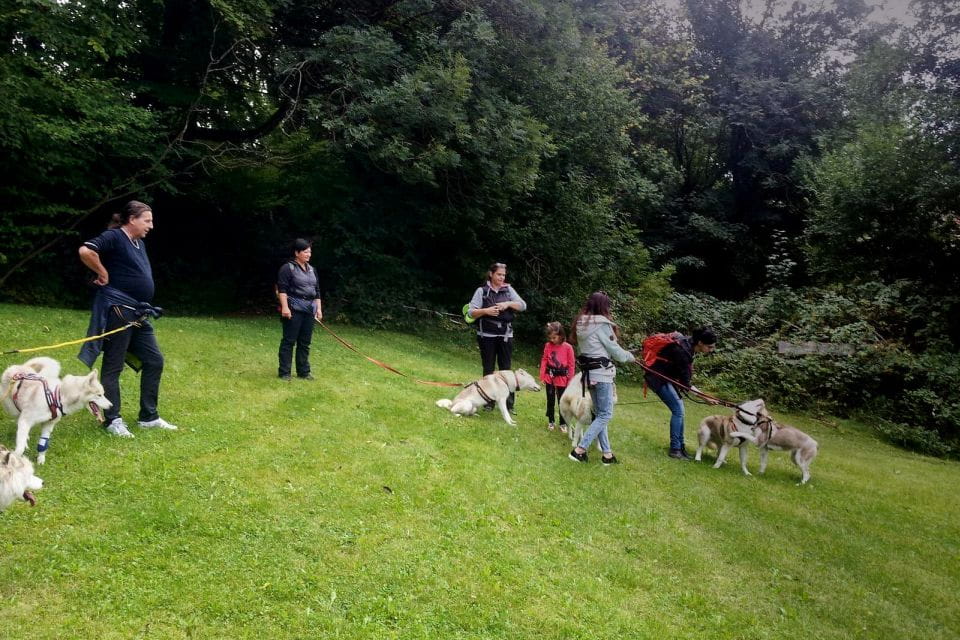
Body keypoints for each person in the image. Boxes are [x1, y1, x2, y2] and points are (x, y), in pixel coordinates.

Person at [78, 200, 177, 437]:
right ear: (132, 219)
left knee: (154, 361)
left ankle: (148, 417)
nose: (151, 226)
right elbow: (86, 250)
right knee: (113, 366)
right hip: (119, 311)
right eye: (147, 220)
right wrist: (102, 272)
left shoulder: (138, 243)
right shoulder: (115, 236)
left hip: (139, 313)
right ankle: (112, 420)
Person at [567, 292, 635, 464]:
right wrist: (630, 357)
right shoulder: (602, 325)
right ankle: (579, 450)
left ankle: (607, 455)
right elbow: (616, 352)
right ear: (604, 307)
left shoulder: (581, 323)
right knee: (605, 414)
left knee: (599, 414)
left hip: (589, 376)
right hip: (602, 375)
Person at [644, 327, 718, 460]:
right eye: (710, 347)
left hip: (666, 377)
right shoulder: (683, 352)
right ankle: (675, 449)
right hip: (658, 378)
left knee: (680, 410)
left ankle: (680, 447)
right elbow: (686, 384)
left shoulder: (687, 345)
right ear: (700, 343)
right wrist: (704, 397)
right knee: (678, 410)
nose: (712, 350)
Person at [467, 262, 526, 412]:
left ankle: (508, 404)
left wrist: (508, 304)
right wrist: (486, 311)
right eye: (499, 274)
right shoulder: (482, 291)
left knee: (506, 370)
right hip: (486, 335)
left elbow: (522, 305)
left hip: (505, 335)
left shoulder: (508, 290)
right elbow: (470, 312)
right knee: (488, 369)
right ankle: (488, 401)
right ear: (491, 274)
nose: (501, 277)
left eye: (503, 275)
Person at [276, 238, 323, 380]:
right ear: (297, 253)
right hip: (293, 309)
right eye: (305, 251)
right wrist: (285, 307)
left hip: (309, 310)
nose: (308, 254)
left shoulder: (312, 270)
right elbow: (282, 289)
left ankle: (304, 372)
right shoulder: (287, 268)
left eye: (310, 252)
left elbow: (317, 291)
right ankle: (284, 372)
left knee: (305, 342)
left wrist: (318, 309)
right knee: (289, 341)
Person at [540, 321, 575, 432]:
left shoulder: (568, 348)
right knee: (550, 400)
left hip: (563, 379)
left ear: (561, 335)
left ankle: (563, 423)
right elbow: (544, 360)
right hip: (550, 377)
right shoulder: (548, 346)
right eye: (550, 338)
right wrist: (542, 375)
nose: (552, 340)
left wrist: (570, 380)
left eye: (554, 337)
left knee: (562, 401)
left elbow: (571, 365)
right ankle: (551, 421)